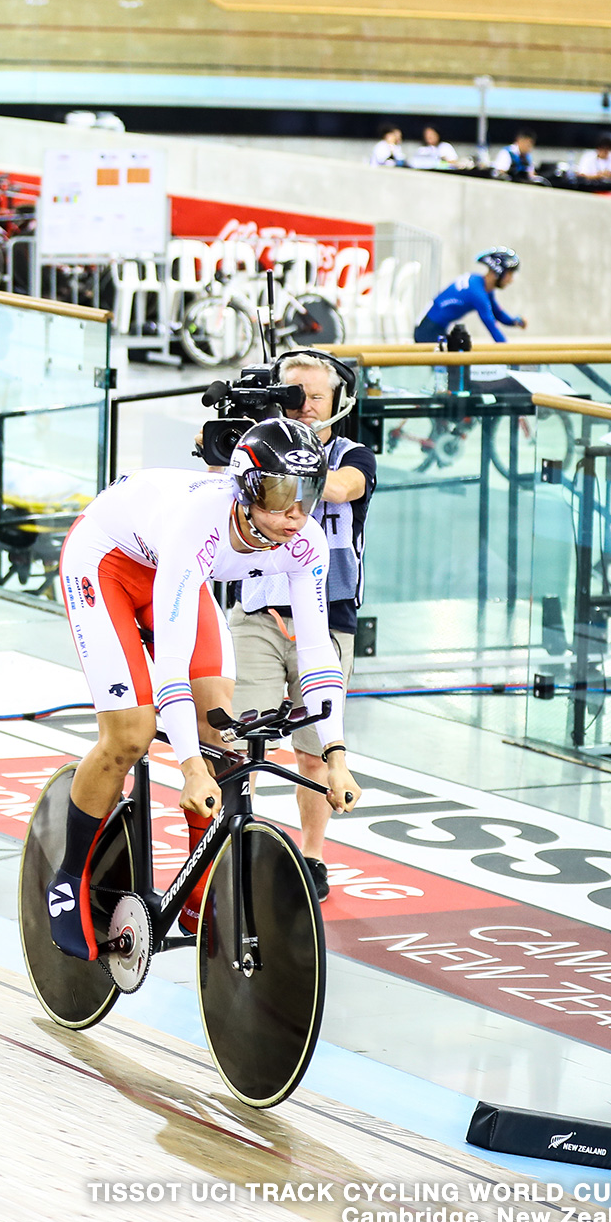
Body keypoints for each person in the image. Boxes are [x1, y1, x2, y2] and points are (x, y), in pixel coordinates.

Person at [43, 419, 361, 959]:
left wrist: (335, 752)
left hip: (175, 572)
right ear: (247, 489)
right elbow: (169, 657)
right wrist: (188, 766)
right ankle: (69, 880)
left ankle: (196, 890)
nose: (296, 513)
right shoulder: (201, 521)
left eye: (306, 494)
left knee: (223, 730)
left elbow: (315, 651)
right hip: (107, 562)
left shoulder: (304, 539)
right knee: (131, 734)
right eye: (282, 494)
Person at [228, 353, 375, 896]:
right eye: (293, 394)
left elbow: (340, 488)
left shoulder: (352, 455)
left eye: (317, 397)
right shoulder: (255, 446)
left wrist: (283, 461)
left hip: (328, 614)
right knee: (232, 739)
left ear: (338, 402)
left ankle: (311, 856)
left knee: (314, 751)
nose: (306, 406)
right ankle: (228, 845)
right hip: (258, 613)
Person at [415, 247, 525, 344]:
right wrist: (511, 355)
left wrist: (515, 321)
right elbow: (491, 326)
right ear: (498, 271)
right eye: (510, 274)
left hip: (434, 328)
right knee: (457, 363)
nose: (511, 280)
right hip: (428, 331)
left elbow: (498, 313)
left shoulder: (480, 284)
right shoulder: (477, 293)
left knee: (459, 361)